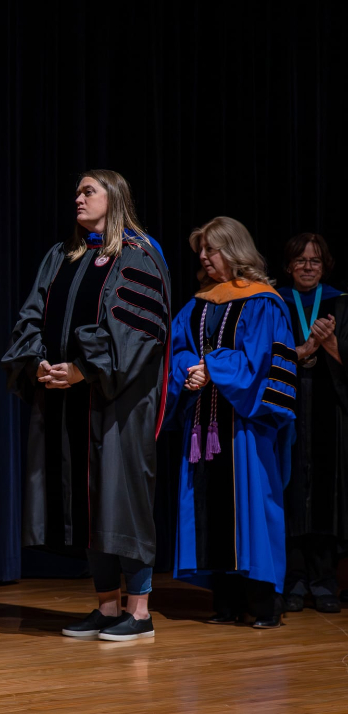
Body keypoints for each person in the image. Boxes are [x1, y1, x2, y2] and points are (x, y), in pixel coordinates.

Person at [2, 169, 171, 642]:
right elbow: (31, 314)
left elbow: (139, 330)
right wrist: (36, 362)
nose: (77, 197)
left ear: (114, 197)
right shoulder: (62, 256)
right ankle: (106, 607)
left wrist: (83, 368)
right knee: (89, 504)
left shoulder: (137, 256)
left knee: (122, 500)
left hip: (118, 403)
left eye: (87, 190)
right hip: (64, 400)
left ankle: (139, 613)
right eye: (76, 190)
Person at [167, 217, 295, 629]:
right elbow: (178, 346)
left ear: (235, 251)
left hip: (245, 423)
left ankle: (264, 604)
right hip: (204, 421)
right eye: (201, 251)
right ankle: (224, 601)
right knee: (210, 508)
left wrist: (211, 367)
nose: (203, 258)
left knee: (253, 506)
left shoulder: (264, 301)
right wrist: (189, 367)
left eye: (211, 249)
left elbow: (260, 363)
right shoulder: (200, 302)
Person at [278, 233, 348, 614]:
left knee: (325, 493)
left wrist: (333, 344)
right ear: (288, 265)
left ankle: (323, 580)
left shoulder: (341, 303)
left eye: (315, 261)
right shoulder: (273, 303)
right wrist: (302, 350)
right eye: (301, 260)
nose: (308, 267)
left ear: (326, 266)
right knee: (289, 491)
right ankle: (293, 578)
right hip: (286, 406)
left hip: (328, 408)